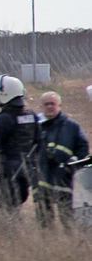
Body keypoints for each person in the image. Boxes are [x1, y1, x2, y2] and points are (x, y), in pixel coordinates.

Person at [0, 74, 41, 213]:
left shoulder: (5, 119)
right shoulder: (31, 116)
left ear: (5, 93)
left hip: (8, 172)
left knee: (7, 209)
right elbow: (38, 142)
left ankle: (11, 233)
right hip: (27, 171)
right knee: (16, 205)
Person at [36, 91, 89, 228]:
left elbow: (83, 147)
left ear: (59, 105)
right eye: (46, 104)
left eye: (52, 104)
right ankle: (48, 243)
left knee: (67, 218)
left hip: (64, 178)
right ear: (41, 107)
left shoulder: (71, 126)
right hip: (43, 179)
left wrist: (73, 164)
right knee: (44, 220)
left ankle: (69, 243)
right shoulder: (37, 128)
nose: (49, 107)